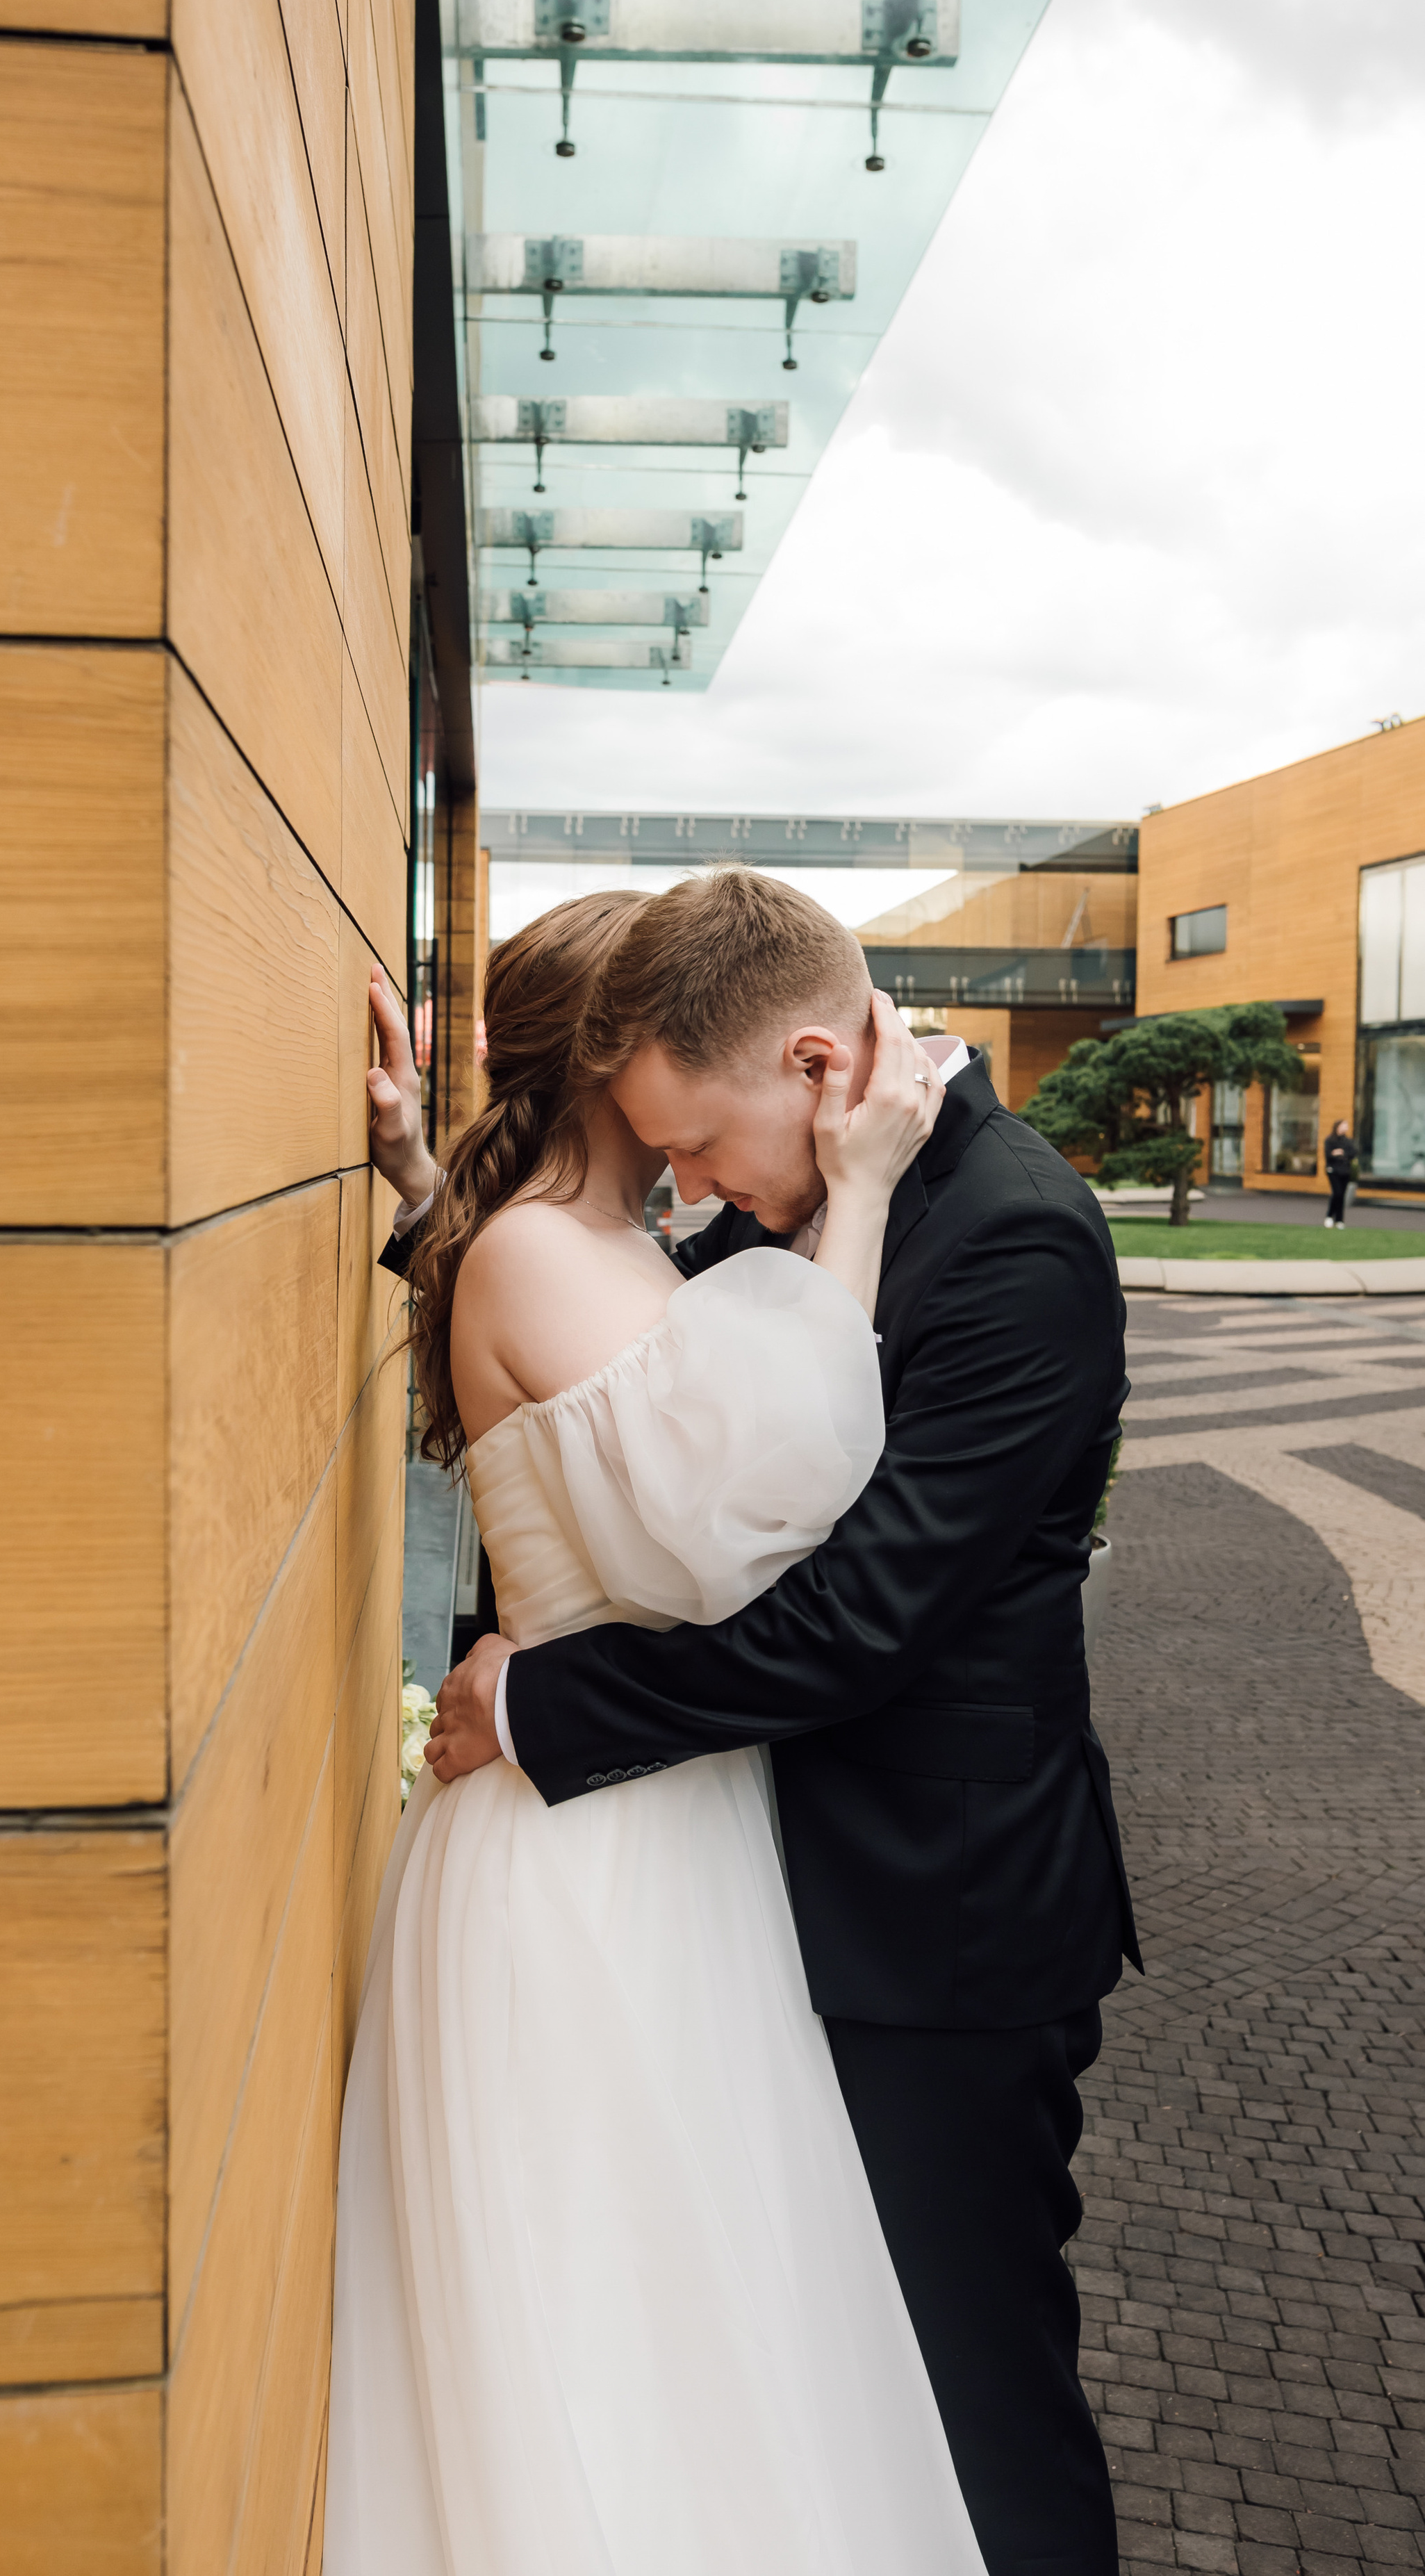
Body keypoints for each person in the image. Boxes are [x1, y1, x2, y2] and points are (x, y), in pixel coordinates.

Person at [379, 870, 1140, 2576]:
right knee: (804, 2408)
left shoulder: (1013, 1236)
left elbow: (857, 1620)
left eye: (701, 1147)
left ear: (812, 1064)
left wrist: (542, 1696)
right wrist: (428, 1203)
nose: (689, 1193)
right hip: (757, 1901)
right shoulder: (786, 1189)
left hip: (928, 1933)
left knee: (962, 2414)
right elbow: (626, 1390)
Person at [1324, 1117, 1357, 1226]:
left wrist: (1342, 1153)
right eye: (1344, 1125)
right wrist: (1335, 1154)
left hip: (1345, 1171)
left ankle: (1339, 1220)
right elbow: (1328, 1155)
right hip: (1333, 1171)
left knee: (1341, 1195)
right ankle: (1329, 1216)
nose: (1346, 1128)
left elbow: (1353, 1153)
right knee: (1337, 1193)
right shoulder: (1330, 1140)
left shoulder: (1347, 1141)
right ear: (1338, 1127)